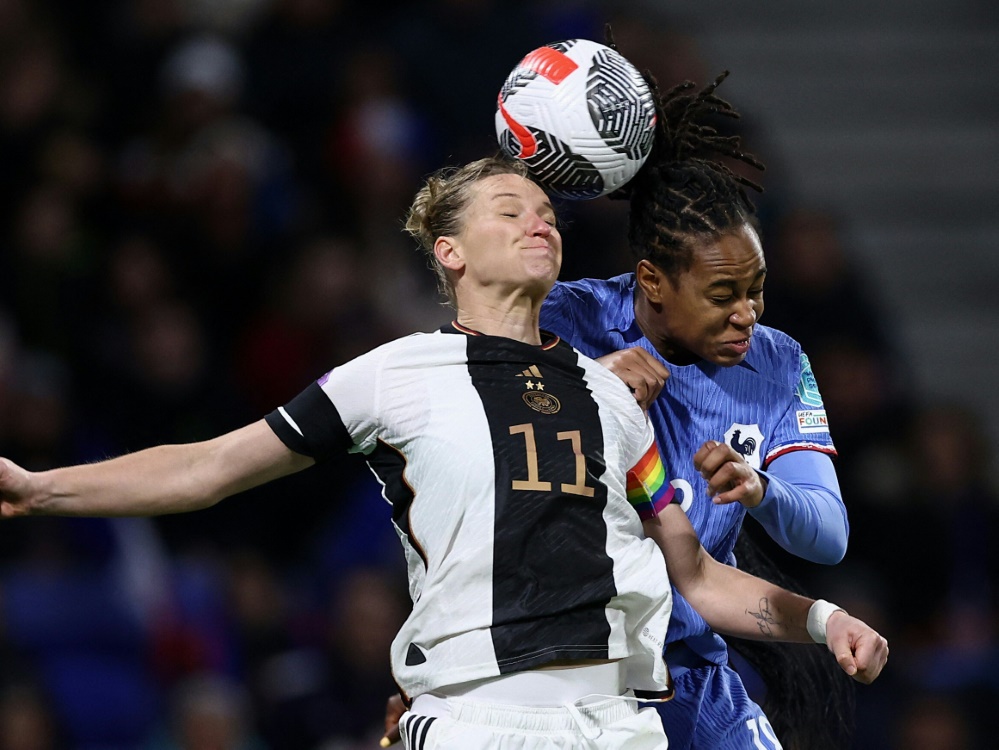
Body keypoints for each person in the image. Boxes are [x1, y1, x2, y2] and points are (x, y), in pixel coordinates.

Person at [1, 156, 886, 749]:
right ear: (449, 251)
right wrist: (40, 489)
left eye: (547, 211)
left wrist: (820, 620)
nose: (540, 221)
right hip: (475, 722)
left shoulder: (614, 399)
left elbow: (695, 577)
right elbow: (209, 467)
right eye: (511, 211)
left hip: (621, 723)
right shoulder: (395, 377)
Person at [538, 71, 854, 749]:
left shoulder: (775, 363)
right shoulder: (564, 320)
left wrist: (761, 490)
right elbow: (452, 391)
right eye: (721, 293)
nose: (747, 314)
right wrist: (584, 382)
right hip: (556, 680)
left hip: (685, 673)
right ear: (651, 279)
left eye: (756, 288)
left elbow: (826, 535)